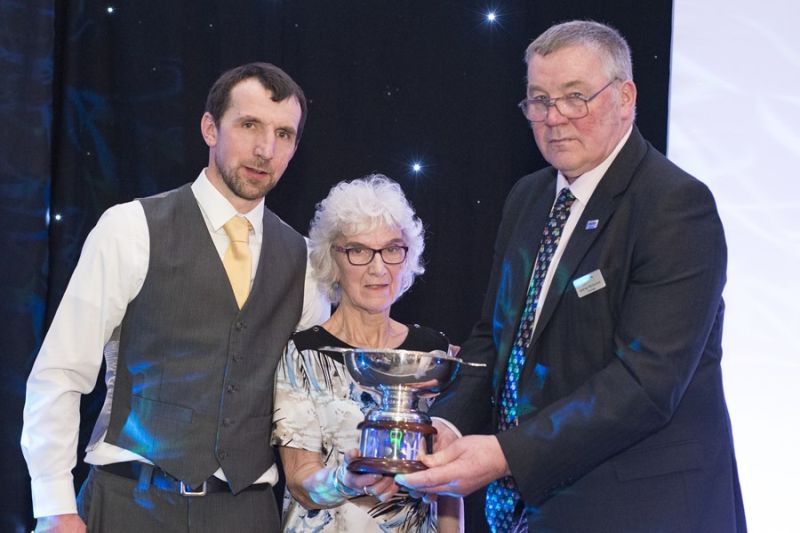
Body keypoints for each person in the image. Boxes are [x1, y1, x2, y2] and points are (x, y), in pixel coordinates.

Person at [396, 20, 747, 532]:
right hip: (535, 509)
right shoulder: (529, 198)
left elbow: (644, 384)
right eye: (539, 100)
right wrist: (447, 425)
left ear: (625, 97)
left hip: (643, 511)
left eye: (575, 97)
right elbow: (493, 341)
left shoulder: (673, 206)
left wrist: (504, 455)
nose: (554, 117)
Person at [21, 62, 330, 532]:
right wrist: (54, 506)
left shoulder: (305, 261)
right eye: (249, 125)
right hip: (131, 504)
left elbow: (307, 406)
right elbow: (59, 373)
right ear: (210, 128)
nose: (265, 149)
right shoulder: (130, 228)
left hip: (247, 512)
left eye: (283, 134)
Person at [272, 174, 463, 532]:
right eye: (358, 250)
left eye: (391, 249)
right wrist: (345, 480)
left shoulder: (432, 355)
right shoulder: (304, 353)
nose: (378, 268)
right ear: (333, 259)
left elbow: (450, 486)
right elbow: (300, 480)